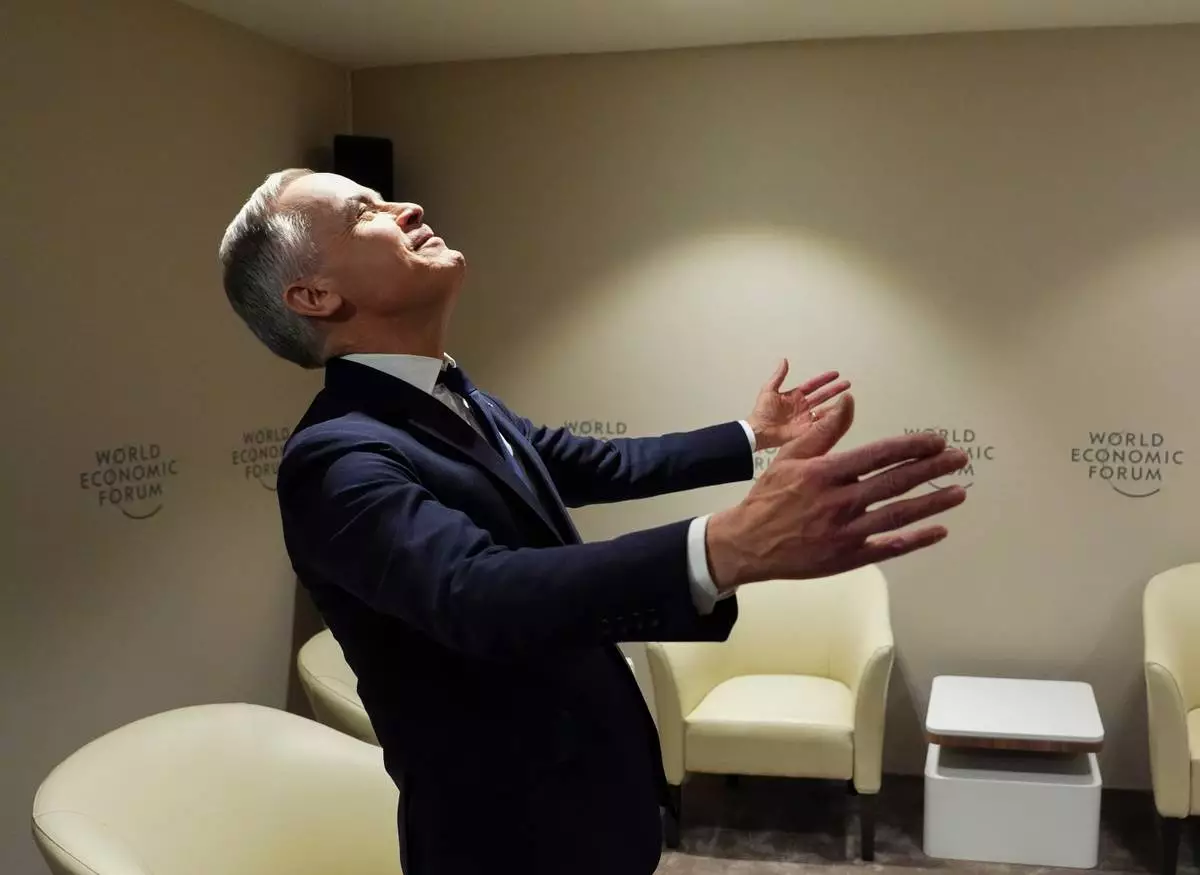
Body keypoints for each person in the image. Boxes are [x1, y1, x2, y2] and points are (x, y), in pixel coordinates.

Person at [218, 169, 968, 875]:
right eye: (363, 212)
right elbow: (476, 592)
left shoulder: (457, 397)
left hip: (590, 800)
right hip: (509, 838)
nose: (405, 208)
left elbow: (594, 463)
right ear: (314, 296)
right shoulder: (335, 457)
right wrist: (723, 547)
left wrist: (749, 436)